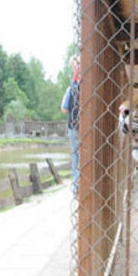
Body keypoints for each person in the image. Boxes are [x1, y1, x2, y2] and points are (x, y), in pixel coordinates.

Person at [61, 54, 80, 193]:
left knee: (75, 154)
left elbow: (63, 108)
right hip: (80, 125)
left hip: (74, 124)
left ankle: (76, 184)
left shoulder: (72, 87)